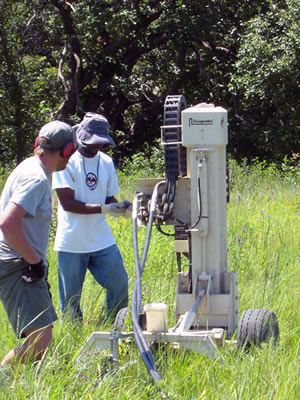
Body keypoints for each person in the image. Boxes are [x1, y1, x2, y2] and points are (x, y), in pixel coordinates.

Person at [0, 121, 77, 366]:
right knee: (40, 339)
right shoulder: (36, 179)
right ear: (67, 150)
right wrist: (34, 263)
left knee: (39, 338)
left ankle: (25, 387)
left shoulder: (30, 167)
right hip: (17, 264)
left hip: (18, 262)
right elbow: (8, 223)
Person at [52, 112, 130, 323]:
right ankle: (72, 338)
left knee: (119, 283)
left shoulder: (106, 162)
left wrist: (122, 207)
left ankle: (113, 328)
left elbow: (109, 197)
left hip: (100, 239)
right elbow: (67, 203)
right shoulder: (65, 163)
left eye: (100, 143)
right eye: (93, 142)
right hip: (72, 241)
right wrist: (104, 209)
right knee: (70, 299)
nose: (97, 146)